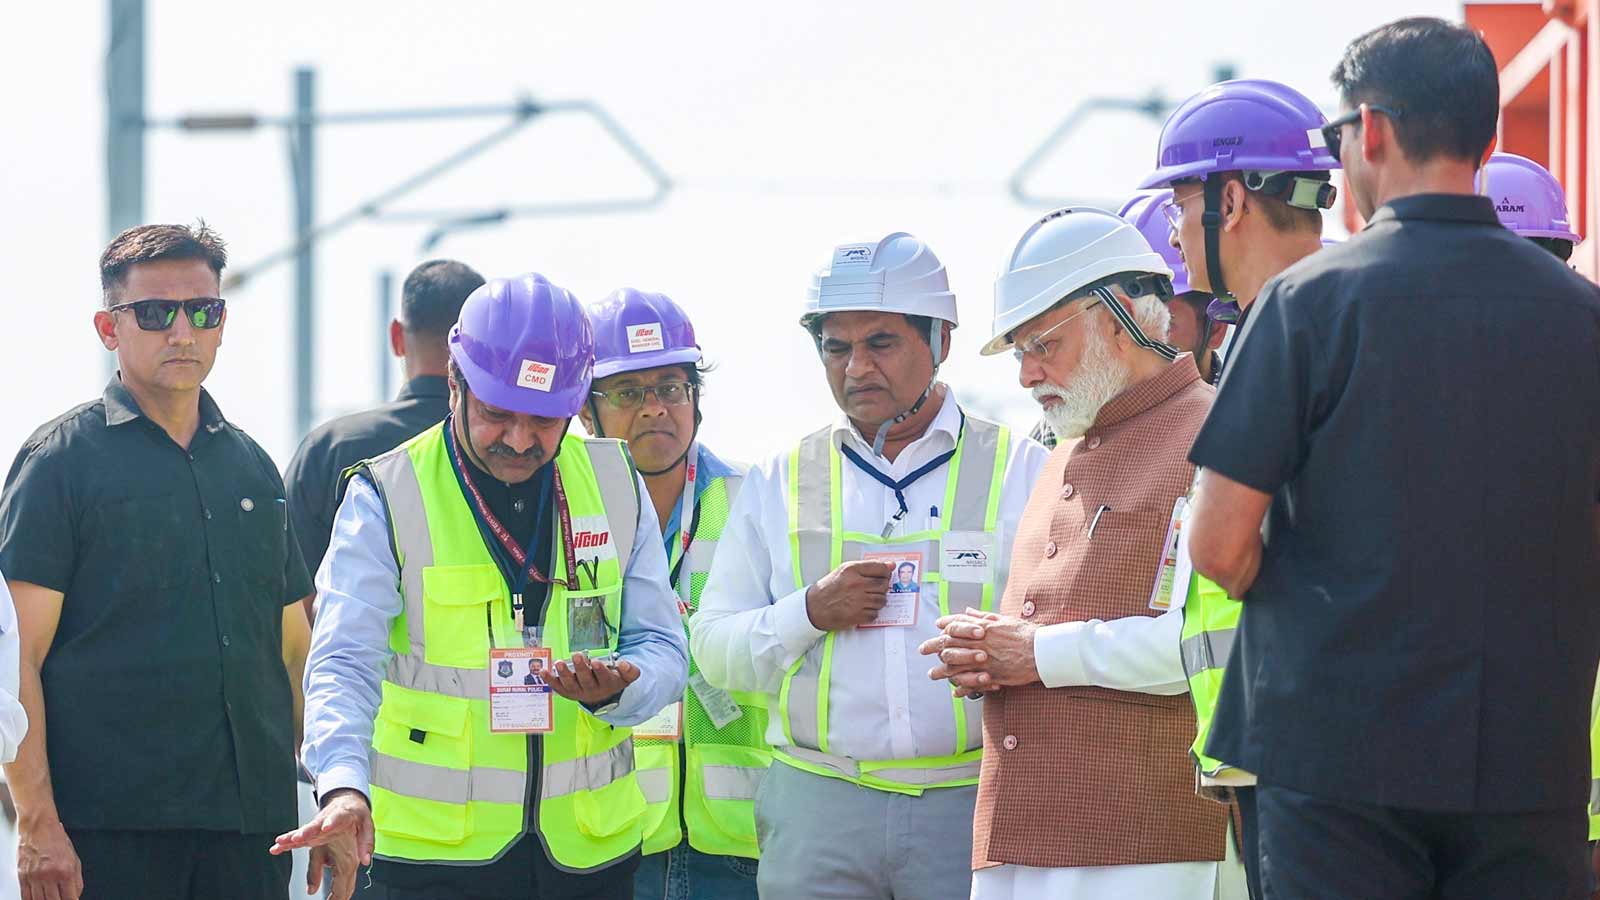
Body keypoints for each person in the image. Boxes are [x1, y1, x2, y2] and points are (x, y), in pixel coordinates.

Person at [1185, 18, 1600, 899]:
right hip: (1531, 759)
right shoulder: (1582, 319)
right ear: (1485, 136)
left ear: (1369, 130)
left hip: (1334, 758)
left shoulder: (1306, 304)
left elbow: (1218, 548)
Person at [277, 273, 689, 900]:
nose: (520, 440)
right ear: (454, 383)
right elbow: (341, 663)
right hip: (426, 864)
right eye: (498, 414)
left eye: (544, 420)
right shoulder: (387, 494)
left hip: (590, 861)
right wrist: (340, 785)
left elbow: (663, 646)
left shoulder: (614, 482)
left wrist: (621, 691)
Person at [690, 232, 1049, 900]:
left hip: (971, 802)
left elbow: (1062, 642)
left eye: (880, 342)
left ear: (939, 340)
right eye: (836, 347)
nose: (855, 367)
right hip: (818, 805)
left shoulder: (1025, 472)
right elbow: (711, 652)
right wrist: (807, 613)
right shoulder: (777, 481)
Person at [919, 206, 1229, 898]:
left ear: (1117, 320)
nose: (1026, 375)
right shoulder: (1058, 451)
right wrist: (989, 655)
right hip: (1018, 844)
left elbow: (1199, 647)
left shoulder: (1219, 434)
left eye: (1042, 345)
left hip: (1150, 846)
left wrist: (1031, 653)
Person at [0, 223, 314, 900]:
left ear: (222, 323)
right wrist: (36, 822)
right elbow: (12, 659)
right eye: (154, 313)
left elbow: (294, 655)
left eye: (204, 311)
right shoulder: (59, 464)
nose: (182, 331)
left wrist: (323, 805)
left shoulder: (254, 468)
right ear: (109, 328)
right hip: (106, 842)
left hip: (249, 838)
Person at [1137, 77, 1341, 900]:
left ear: (1230, 200)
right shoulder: (1354, 313)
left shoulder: (1279, 329)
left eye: (1183, 206)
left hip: (1304, 739)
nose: (1178, 234)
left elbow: (1220, 549)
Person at [576, 288, 765, 900]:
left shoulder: (752, 502)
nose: (655, 408)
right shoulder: (563, 514)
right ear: (587, 410)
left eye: (671, 387)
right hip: (611, 836)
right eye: (629, 393)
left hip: (740, 843)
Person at [284, 259, 485, 621]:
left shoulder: (330, 448)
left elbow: (293, 598)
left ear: (396, 337)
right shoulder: (521, 451)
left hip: (352, 674)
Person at [1118, 191, 1223, 383]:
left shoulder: (1257, 410)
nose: (1132, 345)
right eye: (1120, 325)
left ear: (1216, 327)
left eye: (1163, 325)